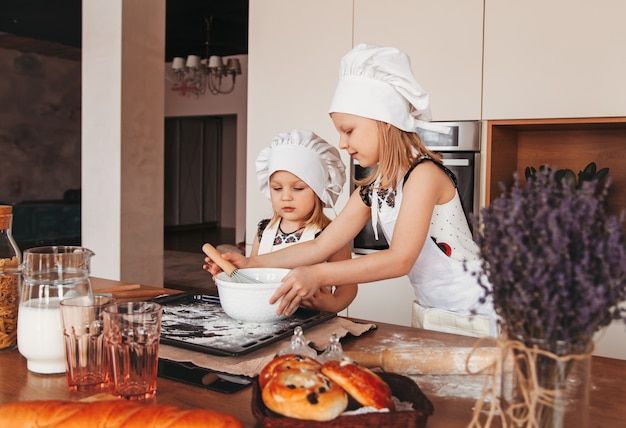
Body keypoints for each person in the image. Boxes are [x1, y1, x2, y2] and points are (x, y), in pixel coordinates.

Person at [206, 44, 495, 337]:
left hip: (478, 312)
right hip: (432, 310)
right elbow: (322, 245)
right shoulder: (374, 188)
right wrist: (252, 262)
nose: (342, 143)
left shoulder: (424, 175)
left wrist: (317, 273)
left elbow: (400, 259)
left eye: (349, 130)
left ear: (385, 123)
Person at [250, 128, 357, 313]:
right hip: (265, 319)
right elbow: (252, 272)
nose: (286, 197)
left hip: (312, 324)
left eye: (298, 188)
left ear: (318, 190)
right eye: (277, 188)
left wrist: (332, 305)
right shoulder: (264, 230)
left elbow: (348, 287)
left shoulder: (332, 234)